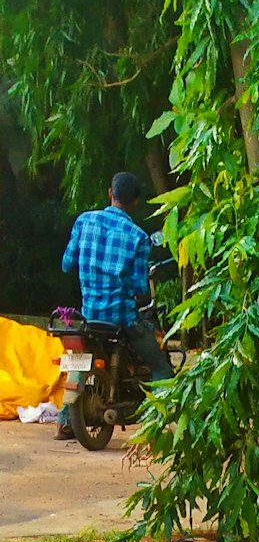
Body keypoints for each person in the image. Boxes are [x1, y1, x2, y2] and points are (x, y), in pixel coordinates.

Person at [56, 170, 172, 440]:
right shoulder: (138, 237)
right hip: (121, 318)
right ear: (135, 203)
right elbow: (141, 288)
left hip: (89, 317)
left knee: (77, 359)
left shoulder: (84, 221)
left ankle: (65, 421)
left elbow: (66, 265)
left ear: (111, 193)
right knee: (160, 365)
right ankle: (160, 429)